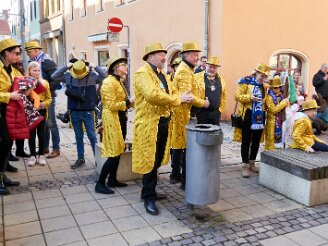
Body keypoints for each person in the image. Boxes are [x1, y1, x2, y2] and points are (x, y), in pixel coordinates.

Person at [132, 43, 194, 215]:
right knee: (150, 161)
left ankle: (149, 190)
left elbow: (173, 91)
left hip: (163, 123)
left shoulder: (163, 75)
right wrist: (177, 99)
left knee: (157, 160)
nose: (164, 58)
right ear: (150, 56)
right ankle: (148, 197)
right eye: (161, 54)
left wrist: (182, 97)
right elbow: (153, 95)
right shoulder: (142, 74)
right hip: (149, 125)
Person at [51, 60, 106, 169]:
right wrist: (67, 66)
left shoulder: (92, 76)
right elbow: (54, 76)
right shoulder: (68, 76)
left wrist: (94, 65)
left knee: (92, 136)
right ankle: (80, 158)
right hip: (74, 111)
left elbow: (104, 76)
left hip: (88, 111)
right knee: (78, 136)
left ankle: (97, 159)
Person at [170, 41, 209, 188]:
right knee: (186, 147)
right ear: (186, 55)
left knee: (182, 146)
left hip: (184, 113)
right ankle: (185, 182)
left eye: (197, 55)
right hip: (182, 114)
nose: (197, 58)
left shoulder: (188, 69)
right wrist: (203, 103)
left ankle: (177, 176)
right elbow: (188, 96)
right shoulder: (185, 71)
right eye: (194, 55)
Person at [95, 56, 134, 194]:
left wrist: (132, 102)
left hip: (120, 118)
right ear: (115, 68)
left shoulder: (118, 81)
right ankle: (100, 183)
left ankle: (112, 179)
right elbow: (111, 105)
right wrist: (129, 102)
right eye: (123, 64)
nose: (126, 67)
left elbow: (122, 100)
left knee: (119, 150)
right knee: (114, 153)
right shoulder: (108, 82)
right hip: (112, 120)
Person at [25, 40, 60, 158]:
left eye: (29, 52)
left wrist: (46, 91)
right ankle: (45, 147)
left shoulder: (47, 62)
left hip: (47, 98)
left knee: (51, 123)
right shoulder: (33, 62)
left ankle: (56, 148)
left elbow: (57, 78)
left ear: (36, 51)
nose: (27, 54)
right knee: (43, 123)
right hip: (35, 99)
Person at [234, 63, 269, 178]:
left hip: (260, 115)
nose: (263, 78)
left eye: (265, 76)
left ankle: (252, 162)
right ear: (256, 73)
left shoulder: (264, 86)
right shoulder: (246, 82)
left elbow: (265, 100)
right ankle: (244, 165)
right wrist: (249, 98)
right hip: (248, 114)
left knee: (256, 140)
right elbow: (237, 96)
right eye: (261, 75)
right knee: (246, 140)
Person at [0, 38, 23, 194]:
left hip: (9, 110)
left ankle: (2, 175)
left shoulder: (12, 69)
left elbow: (20, 82)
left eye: (19, 53)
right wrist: (9, 96)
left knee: (8, 143)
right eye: (15, 53)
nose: (18, 56)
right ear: (5, 53)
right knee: (3, 144)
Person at [26, 61, 52, 166]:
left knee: (41, 134)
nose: (36, 72)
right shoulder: (25, 82)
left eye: (38, 70)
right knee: (31, 136)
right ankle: (32, 155)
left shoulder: (44, 83)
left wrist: (43, 104)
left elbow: (49, 99)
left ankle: (41, 155)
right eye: (34, 70)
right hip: (30, 111)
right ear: (29, 71)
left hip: (41, 110)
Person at [194, 56, 227, 125]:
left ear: (217, 68)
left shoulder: (221, 80)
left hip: (216, 113)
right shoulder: (196, 77)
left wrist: (220, 110)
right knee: (202, 134)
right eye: (210, 67)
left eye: (214, 67)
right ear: (206, 65)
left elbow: (224, 96)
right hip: (202, 113)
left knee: (214, 134)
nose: (212, 69)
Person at [264, 76, 289, 150]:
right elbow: (273, 110)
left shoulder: (280, 95)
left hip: (280, 121)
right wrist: (283, 103)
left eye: (279, 87)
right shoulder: (269, 97)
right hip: (272, 123)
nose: (278, 89)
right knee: (271, 141)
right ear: (271, 88)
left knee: (280, 141)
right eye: (275, 88)